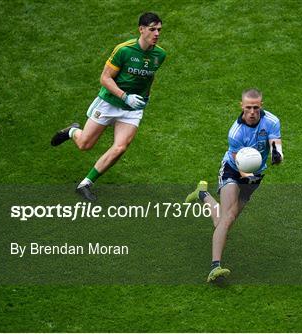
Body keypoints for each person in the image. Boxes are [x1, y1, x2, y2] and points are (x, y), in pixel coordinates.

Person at [50, 12, 166, 201]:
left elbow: (149, 75)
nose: (156, 34)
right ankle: (72, 131)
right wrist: (124, 96)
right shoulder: (124, 50)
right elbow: (105, 78)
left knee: (120, 147)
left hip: (133, 109)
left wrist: (146, 96)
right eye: (152, 29)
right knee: (85, 144)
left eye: (159, 30)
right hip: (110, 102)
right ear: (141, 29)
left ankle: (86, 183)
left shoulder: (159, 55)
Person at [185, 88, 284, 283]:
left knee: (223, 221)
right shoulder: (236, 132)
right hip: (233, 170)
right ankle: (215, 267)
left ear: (261, 106)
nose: (252, 112)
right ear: (242, 106)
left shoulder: (272, 121)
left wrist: (277, 153)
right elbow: (238, 162)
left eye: (256, 107)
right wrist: (246, 176)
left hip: (255, 174)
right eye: (248, 108)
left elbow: (275, 141)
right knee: (227, 218)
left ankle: (203, 194)